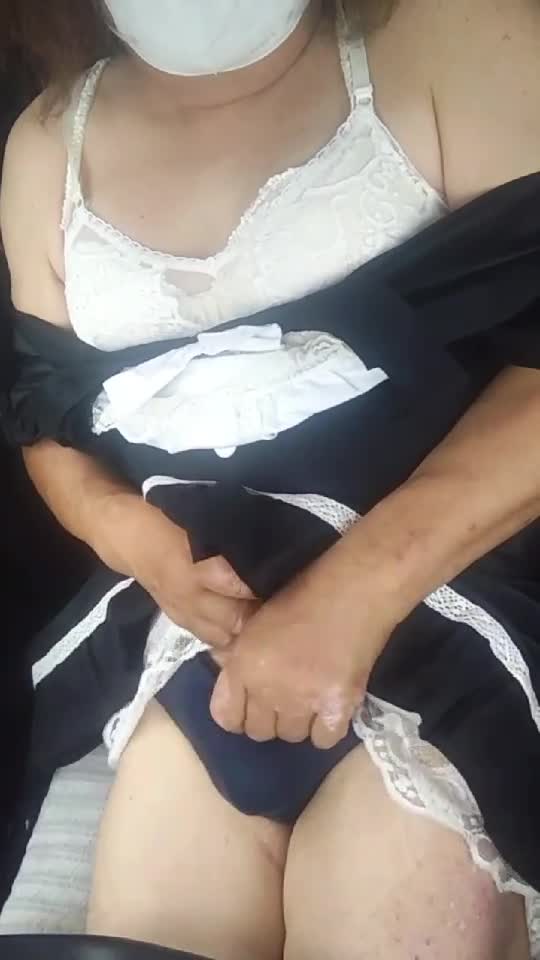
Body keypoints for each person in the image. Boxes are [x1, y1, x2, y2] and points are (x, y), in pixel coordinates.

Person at [1, 1, 540, 958]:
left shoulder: (459, 33)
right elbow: (43, 420)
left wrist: (353, 597)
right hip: (198, 632)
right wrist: (129, 535)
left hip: (460, 589)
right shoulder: (45, 144)